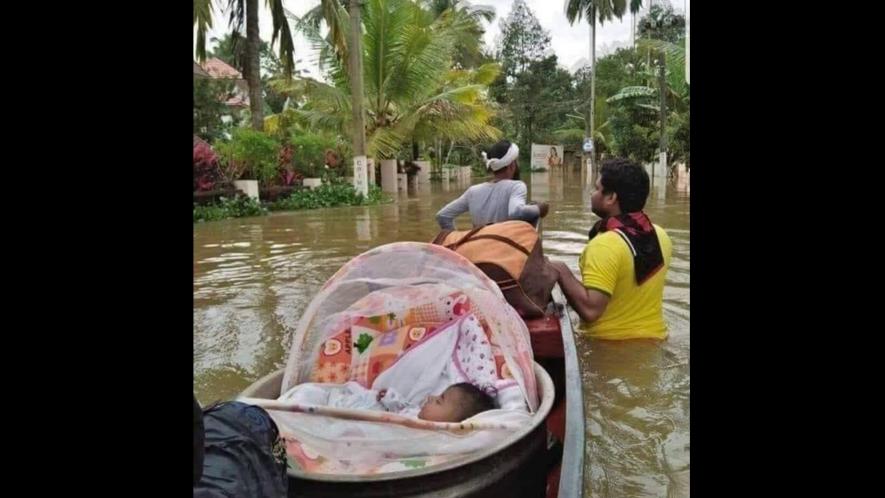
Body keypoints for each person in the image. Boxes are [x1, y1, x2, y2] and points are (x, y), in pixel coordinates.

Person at [549, 158, 672, 340]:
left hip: (607, 347)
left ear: (611, 198)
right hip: (656, 340)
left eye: (597, 188)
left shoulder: (604, 245)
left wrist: (561, 270)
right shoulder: (660, 236)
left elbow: (591, 311)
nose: (592, 193)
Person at [436, 140, 549, 229]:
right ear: (512, 166)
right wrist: (540, 208)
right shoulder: (517, 186)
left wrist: (458, 242)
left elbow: (443, 216)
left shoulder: (473, 191)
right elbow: (516, 212)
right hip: (505, 252)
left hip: (477, 249)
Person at [279, 381, 495, 422]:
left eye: (439, 401)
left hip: (359, 422)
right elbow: (403, 407)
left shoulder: (430, 432)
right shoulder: (418, 412)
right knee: (311, 392)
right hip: (357, 406)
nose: (430, 398)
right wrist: (390, 397)